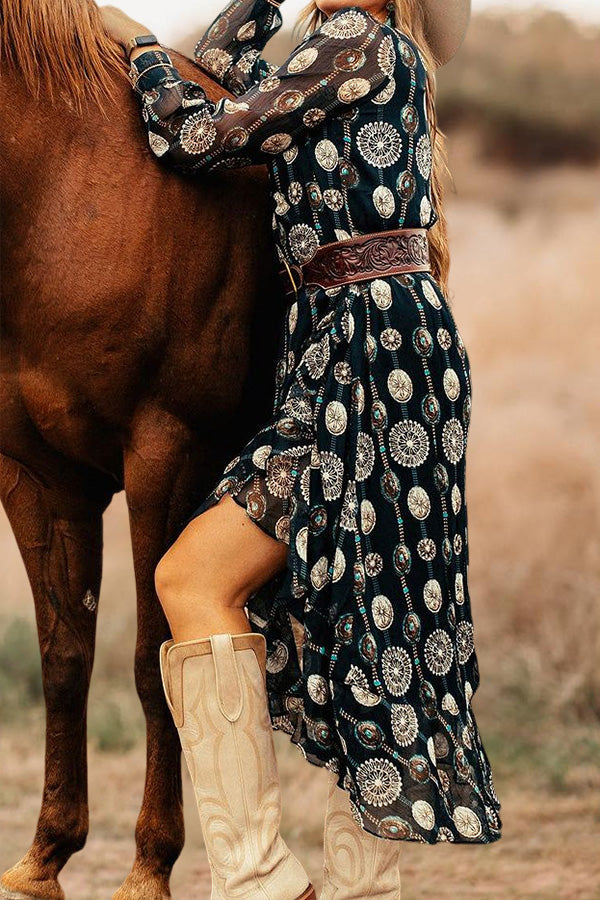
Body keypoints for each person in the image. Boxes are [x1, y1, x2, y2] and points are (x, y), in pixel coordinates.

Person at [100, 1, 503, 896]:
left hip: (379, 348)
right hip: (340, 347)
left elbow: (195, 137)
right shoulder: (329, 53)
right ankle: (271, 882)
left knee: (322, 607)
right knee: (233, 589)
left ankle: (294, 884)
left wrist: (138, 52)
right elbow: (223, 77)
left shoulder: (354, 40)